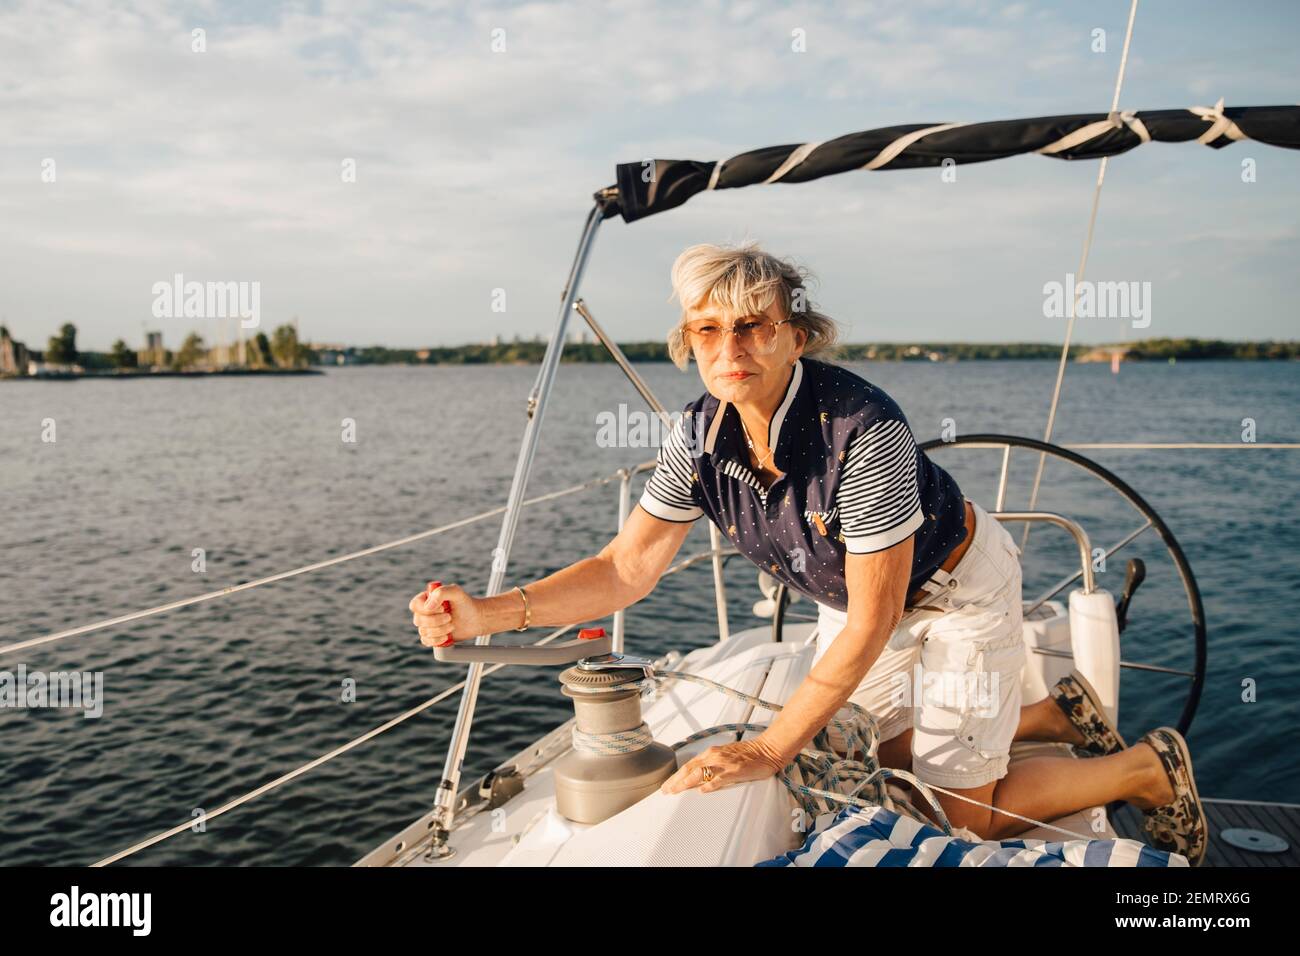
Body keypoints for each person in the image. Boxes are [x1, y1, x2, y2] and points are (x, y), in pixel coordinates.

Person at [408, 241, 1207, 864]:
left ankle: (1146, 768)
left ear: (795, 333)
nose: (732, 348)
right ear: (689, 341)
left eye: (753, 325)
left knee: (964, 816)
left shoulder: (862, 431)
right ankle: (1052, 714)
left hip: (955, 590)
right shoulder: (697, 433)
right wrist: (486, 613)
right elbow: (628, 568)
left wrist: (764, 749)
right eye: (709, 329)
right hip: (852, 603)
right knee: (862, 753)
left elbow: (875, 617)